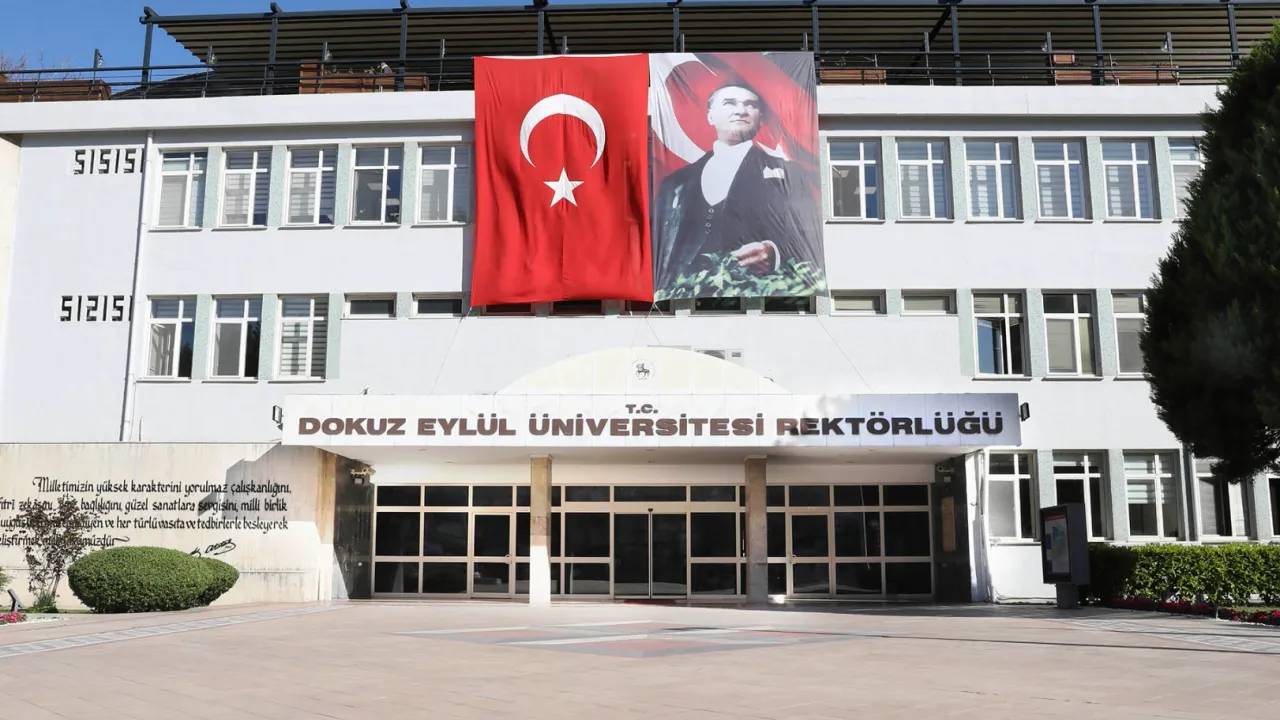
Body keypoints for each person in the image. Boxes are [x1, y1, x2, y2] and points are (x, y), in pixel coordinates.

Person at [652, 83, 824, 299]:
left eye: (750, 105)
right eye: (729, 103)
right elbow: (658, 241)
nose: (741, 111)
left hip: (755, 297)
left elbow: (808, 234)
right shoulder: (676, 183)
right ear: (710, 116)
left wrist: (776, 253)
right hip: (684, 299)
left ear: (760, 119)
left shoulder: (790, 174)